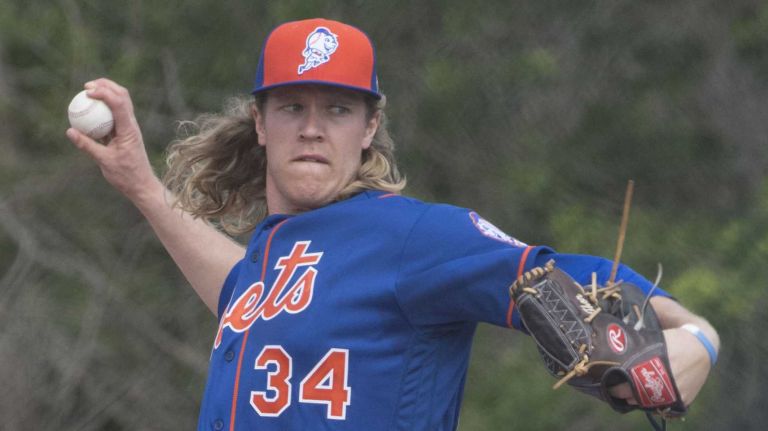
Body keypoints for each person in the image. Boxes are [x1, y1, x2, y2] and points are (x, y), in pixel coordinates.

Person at [65, 18, 719, 431]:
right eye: (292, 106)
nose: (313, 127)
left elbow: (551, 271)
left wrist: (698, 333)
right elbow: (242, 295)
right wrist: (143, 186)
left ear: (369, 126)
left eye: (337, 109)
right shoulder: (270, 261)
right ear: (260, 123)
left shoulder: (411, 238)